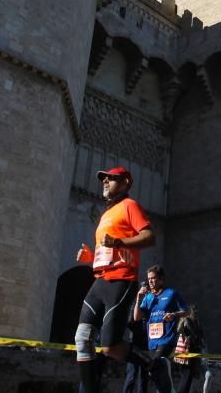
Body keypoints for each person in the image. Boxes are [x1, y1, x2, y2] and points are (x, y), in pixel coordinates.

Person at [75, 166, 155, 393]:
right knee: (83, 338)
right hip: (100, 280)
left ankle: (152, 363)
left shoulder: (130, 206)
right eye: (104, 179)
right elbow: (107, 252)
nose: (105, 182)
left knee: (109, 347)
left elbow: (149, 237)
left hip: (121, 280)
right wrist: (91, 257)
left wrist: (119, 242)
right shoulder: (106, 214)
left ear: (126, 183)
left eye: (111, 179)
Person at [134, 265, 188, 393]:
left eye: (153, 278)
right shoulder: (147, 297)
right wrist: (138, 299)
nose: (151, 282)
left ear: (161, 279)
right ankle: (170, 390)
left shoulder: (171, 293)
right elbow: (137, 317)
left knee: (156, 364)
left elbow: (187, 311)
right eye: (149, 279)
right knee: (154, 373)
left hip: (167, 340)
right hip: (152, 341)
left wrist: (174, 315)